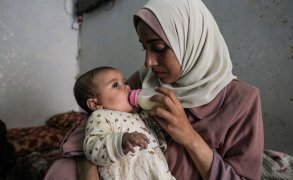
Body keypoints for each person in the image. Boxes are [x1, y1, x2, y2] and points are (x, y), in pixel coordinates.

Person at [45, 0, 264, 179]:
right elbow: (93, 125)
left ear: (191, 41)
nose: (148, 62)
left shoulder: (242, 99)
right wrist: (89, 175)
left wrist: (189, 136)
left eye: (159, 48)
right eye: (145, 47)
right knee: (62, 171)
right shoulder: (144, 80)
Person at [73, 66, 175, 180]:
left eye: (125, 82)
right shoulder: (100, 116)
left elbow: (157, 140)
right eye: (116, 85)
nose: (126, 87)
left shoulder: (140, 115)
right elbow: (93, 148)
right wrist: (121, 140)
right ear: (95, 104)